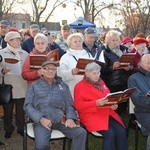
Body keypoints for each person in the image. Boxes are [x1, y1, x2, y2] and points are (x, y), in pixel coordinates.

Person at [24, 60, 87, 150]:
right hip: (42, 121)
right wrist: (41, 119)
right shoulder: (34, 86)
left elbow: (70, 105)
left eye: (53, 69)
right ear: (42, 71)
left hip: (60, 119)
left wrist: (70, 118)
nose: (51, 71)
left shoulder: (63, 86)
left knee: (80, 133)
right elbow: (27, 106)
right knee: (41, 146)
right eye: (48, 69)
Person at [74, 62, 128, 150]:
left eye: (98, 73)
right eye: (94, 73)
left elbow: (108, 95)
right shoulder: (80, 86)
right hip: (91, 115)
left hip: (107, 112)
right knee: (110, 134)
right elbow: (78, 106)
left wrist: (113, 104)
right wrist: (96, 103)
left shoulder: (101, 82)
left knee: (121, 131)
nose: (97, 75)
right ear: (87, 73)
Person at [0, 31, 28, 138]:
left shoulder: (25, 53)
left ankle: (21, 128)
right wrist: (2, 71)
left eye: (20, 39)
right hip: (8, 86)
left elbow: (28, 68)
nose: (19, 41)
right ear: (10, 41)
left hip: (22, 86)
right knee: (7, 111)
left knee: (21, 111)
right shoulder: (1, 53)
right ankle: (8, 129)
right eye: (17, 39)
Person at [100, 30, 131, 116]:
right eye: (113, 40)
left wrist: (129, 68)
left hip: (124, 80)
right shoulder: (104, 52)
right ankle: (115, 118)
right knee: (114, 104)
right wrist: (113, 67)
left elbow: (131, 64)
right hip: (112, 82)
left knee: (123, 102)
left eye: (117, 40)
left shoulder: (124, 49)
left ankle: (122, 117)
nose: (115, 42)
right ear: (108, 41)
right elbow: (102, 70)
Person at [128, 54, 150, 150]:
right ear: (140, 64)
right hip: (144, 112)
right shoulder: (133, 78)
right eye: (148, 63)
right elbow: (138, 101)